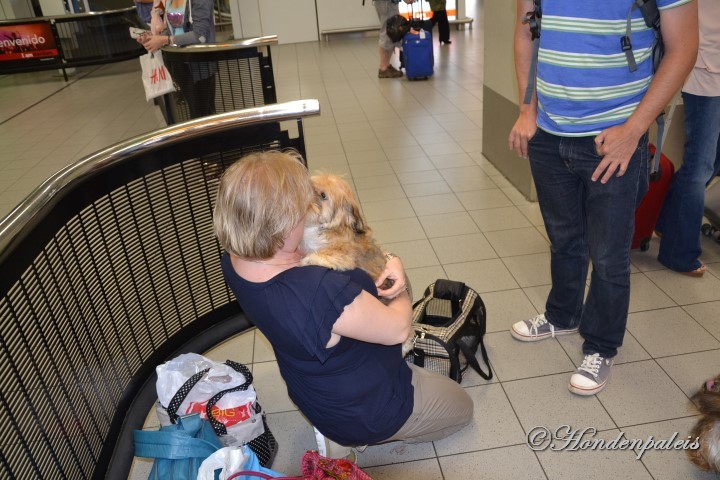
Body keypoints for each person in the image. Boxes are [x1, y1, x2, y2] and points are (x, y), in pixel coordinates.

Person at [213, 150, 473, 459]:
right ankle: (347, 438)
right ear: (282, 224)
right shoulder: (318, 290)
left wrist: (386, 260)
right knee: (462, 407)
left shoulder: (234, 259)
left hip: (310, 389)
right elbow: (399, 329)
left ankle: (339, 425)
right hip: (363, 409)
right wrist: (398, 286)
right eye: (300, 206)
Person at [507, 0, 698, 396]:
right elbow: (527, 28)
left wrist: (634, 130)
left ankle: (600, 345)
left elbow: (683, 48)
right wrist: (528, 109)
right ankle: (563, 315)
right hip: (548, 132)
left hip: (616, 137)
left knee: (610, 255)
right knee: (563, 239)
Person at [656, 0, 720, 278]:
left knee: (712, 162)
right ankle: (677, 252)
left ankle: (667, 220)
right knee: (700, 165)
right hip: (706, 71)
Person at [138, 0, 216, 118]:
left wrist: (165, 40)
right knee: (194, 112)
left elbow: (200, 36)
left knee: (203, 114)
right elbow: (173, 28)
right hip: (180, 64)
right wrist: (153, 38)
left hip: (199, 64)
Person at [374, 0, 415, 78]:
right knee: (388, 33)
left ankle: (386, 65)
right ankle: (383, 68)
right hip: (387, 5)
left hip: (387, 4)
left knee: (392, 34)